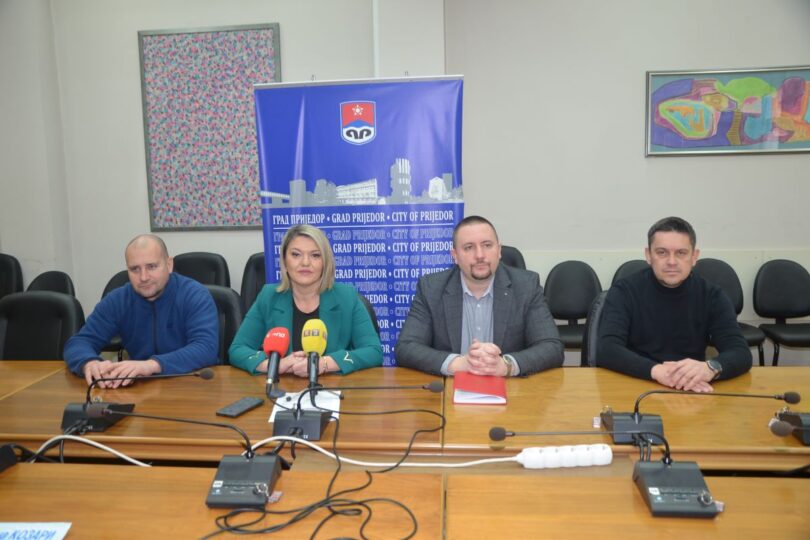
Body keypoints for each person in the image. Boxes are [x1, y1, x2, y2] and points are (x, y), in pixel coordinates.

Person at [597, 216, 752, 392]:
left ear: (694, 256)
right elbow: (607, 349)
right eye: (662, 252)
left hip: (690, 388)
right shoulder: (624, 291)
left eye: (681, 253)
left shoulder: (712, 296)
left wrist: (711, 368)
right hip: (636, 383)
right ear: (648, 255)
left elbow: (740, 352)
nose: (671, 262)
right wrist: (656, 371)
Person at [395, 215, 563, 377]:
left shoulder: (526, 286)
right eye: (469, 247)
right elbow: (406, 347)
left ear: (499, 250)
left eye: (487, 245)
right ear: (455, 256)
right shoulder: (431, 288)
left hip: (511, 389)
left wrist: (506, 365)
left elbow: (551, 347)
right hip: (452, 388)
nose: (480, 255)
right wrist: (458, 364)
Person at [64, 234, 219, 387]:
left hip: (193, 384)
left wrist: (151, 365)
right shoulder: (118, 300)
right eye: (135, 269)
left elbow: (206, 348)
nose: (143, 277)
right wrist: (89, 363)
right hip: (142, 388)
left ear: (169, 264)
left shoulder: (194, 295)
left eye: (151, 267)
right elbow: (79, 342)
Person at [229, 224, 382, 376]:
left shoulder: (346, 297)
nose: (305, 262)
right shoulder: (269, 297)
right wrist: (274, 365)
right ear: (284, 261)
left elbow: (373, 351)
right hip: (282, 388)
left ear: (325, 262)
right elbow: (237, 349)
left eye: (315, 255)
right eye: (296, 254)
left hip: (331, 387)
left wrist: (324, 364)